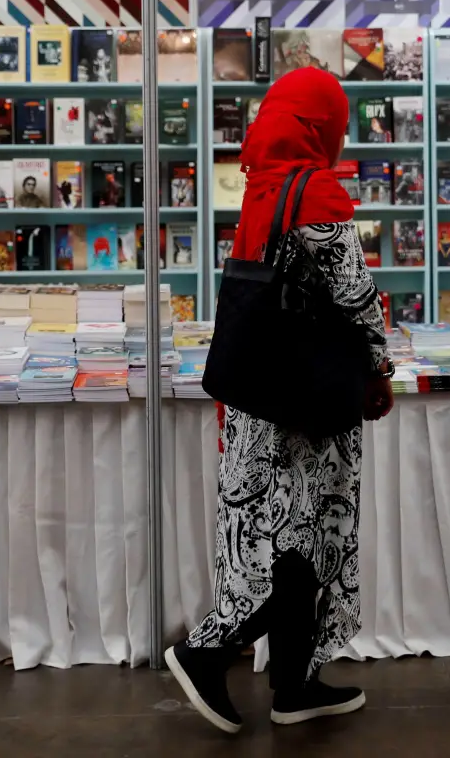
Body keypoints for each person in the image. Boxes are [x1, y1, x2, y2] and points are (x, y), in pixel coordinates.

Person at [165, 67, 394, 734]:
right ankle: (204, 650)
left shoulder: (263, 187)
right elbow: (352, 291)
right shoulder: (314, 189)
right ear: (321, 122)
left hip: (260, 395)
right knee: (305, 534)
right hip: (307, 400)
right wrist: (378, 365)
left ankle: (295, 683)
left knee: (278, 537)